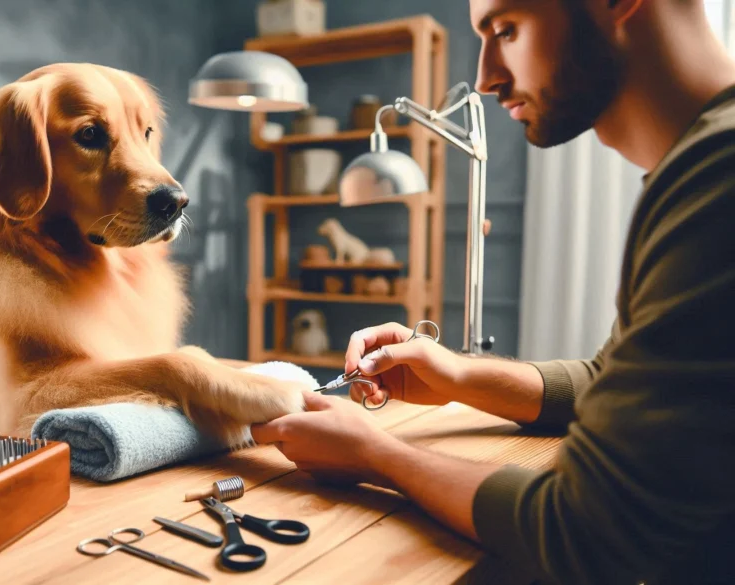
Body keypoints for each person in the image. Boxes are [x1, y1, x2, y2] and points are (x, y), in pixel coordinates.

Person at [250, 0, 735, 583]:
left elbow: (586, 531)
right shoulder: (700, 168)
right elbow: (614, 380)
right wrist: (459, 376)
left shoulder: (719, 179)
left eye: (507, 29)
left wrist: (376, 454)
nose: (485, 79)